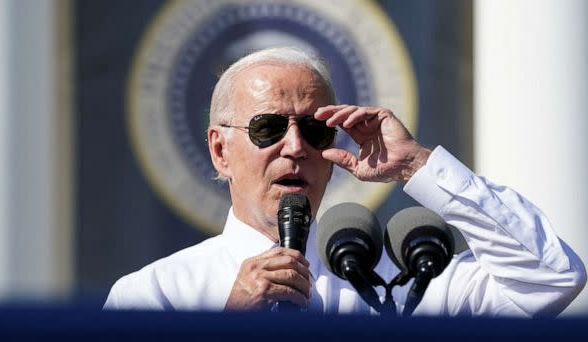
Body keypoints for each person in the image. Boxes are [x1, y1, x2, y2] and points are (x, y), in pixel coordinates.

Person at [104, 47, 585, 316]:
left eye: (315, 129)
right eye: (268, 128)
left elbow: (550, 276)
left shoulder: (408, 283)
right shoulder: (156, 295)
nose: (295, 147)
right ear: (220, 149)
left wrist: (416, 165)